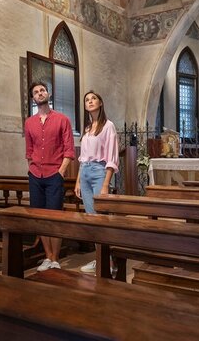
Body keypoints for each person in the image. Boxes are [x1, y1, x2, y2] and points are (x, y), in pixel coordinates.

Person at [24, 81, 75, 271]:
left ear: (48, 94)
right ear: (33, 98)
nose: (40, 93)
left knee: (54, 216)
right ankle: (48, 256)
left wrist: (61, 171)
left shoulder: (62, 120)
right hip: (36, 174)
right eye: (36, 92)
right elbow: (29, 150)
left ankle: (56, 259)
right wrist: (31, 168)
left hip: (54, 173)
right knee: (39, 217)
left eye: (42, 90)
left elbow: (69, 150)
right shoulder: (29, 122)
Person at [74, 90, 119, 274]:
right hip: (84, 173)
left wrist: (105, 183)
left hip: (100, 172)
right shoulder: (86, 129)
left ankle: (109, 262)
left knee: (102, 219)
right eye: (87, 99)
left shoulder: (108, 126)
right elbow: (82, 158)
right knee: (92, 219)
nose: (90, 101)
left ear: (100, 103)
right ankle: (100, 259)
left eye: (93, 98)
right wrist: (77, 181)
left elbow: (112, 157)